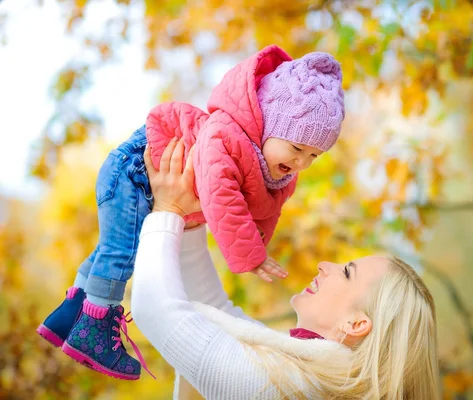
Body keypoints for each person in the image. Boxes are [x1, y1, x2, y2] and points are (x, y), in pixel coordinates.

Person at [36, 44, 345, 380]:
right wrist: (248, 254)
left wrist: (260, 243)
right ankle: (94, 327)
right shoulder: (226, 136)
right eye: (297, 147)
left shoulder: (279, 171)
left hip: (150, 185)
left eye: (314, 156)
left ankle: (72, 312)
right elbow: (220, 195)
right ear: (266, 123)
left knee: (111, 249)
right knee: (121, 253)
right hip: (136, 172)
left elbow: (268, 208)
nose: (301, 162)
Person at [130, 138, 441, 399]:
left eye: (347, 273)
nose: (325, 266)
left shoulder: (281, 388)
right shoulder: (305, 378)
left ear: (356, 324)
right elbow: (216, 312)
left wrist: (168, 210)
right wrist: (189, 219)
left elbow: (155, 310)